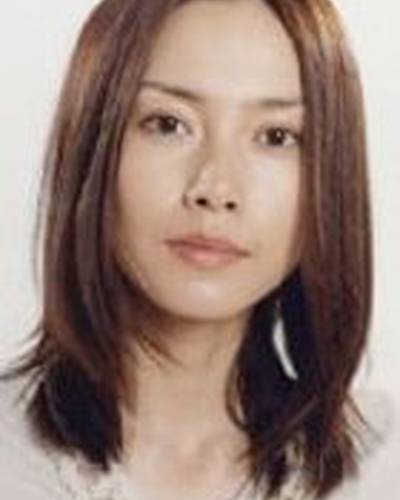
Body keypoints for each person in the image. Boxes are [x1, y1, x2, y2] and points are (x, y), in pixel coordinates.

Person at [0, 0, 393, 499]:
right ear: (92, 146)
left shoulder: (382, 467)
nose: (216, 188)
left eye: (276, 136)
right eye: (168, 124)